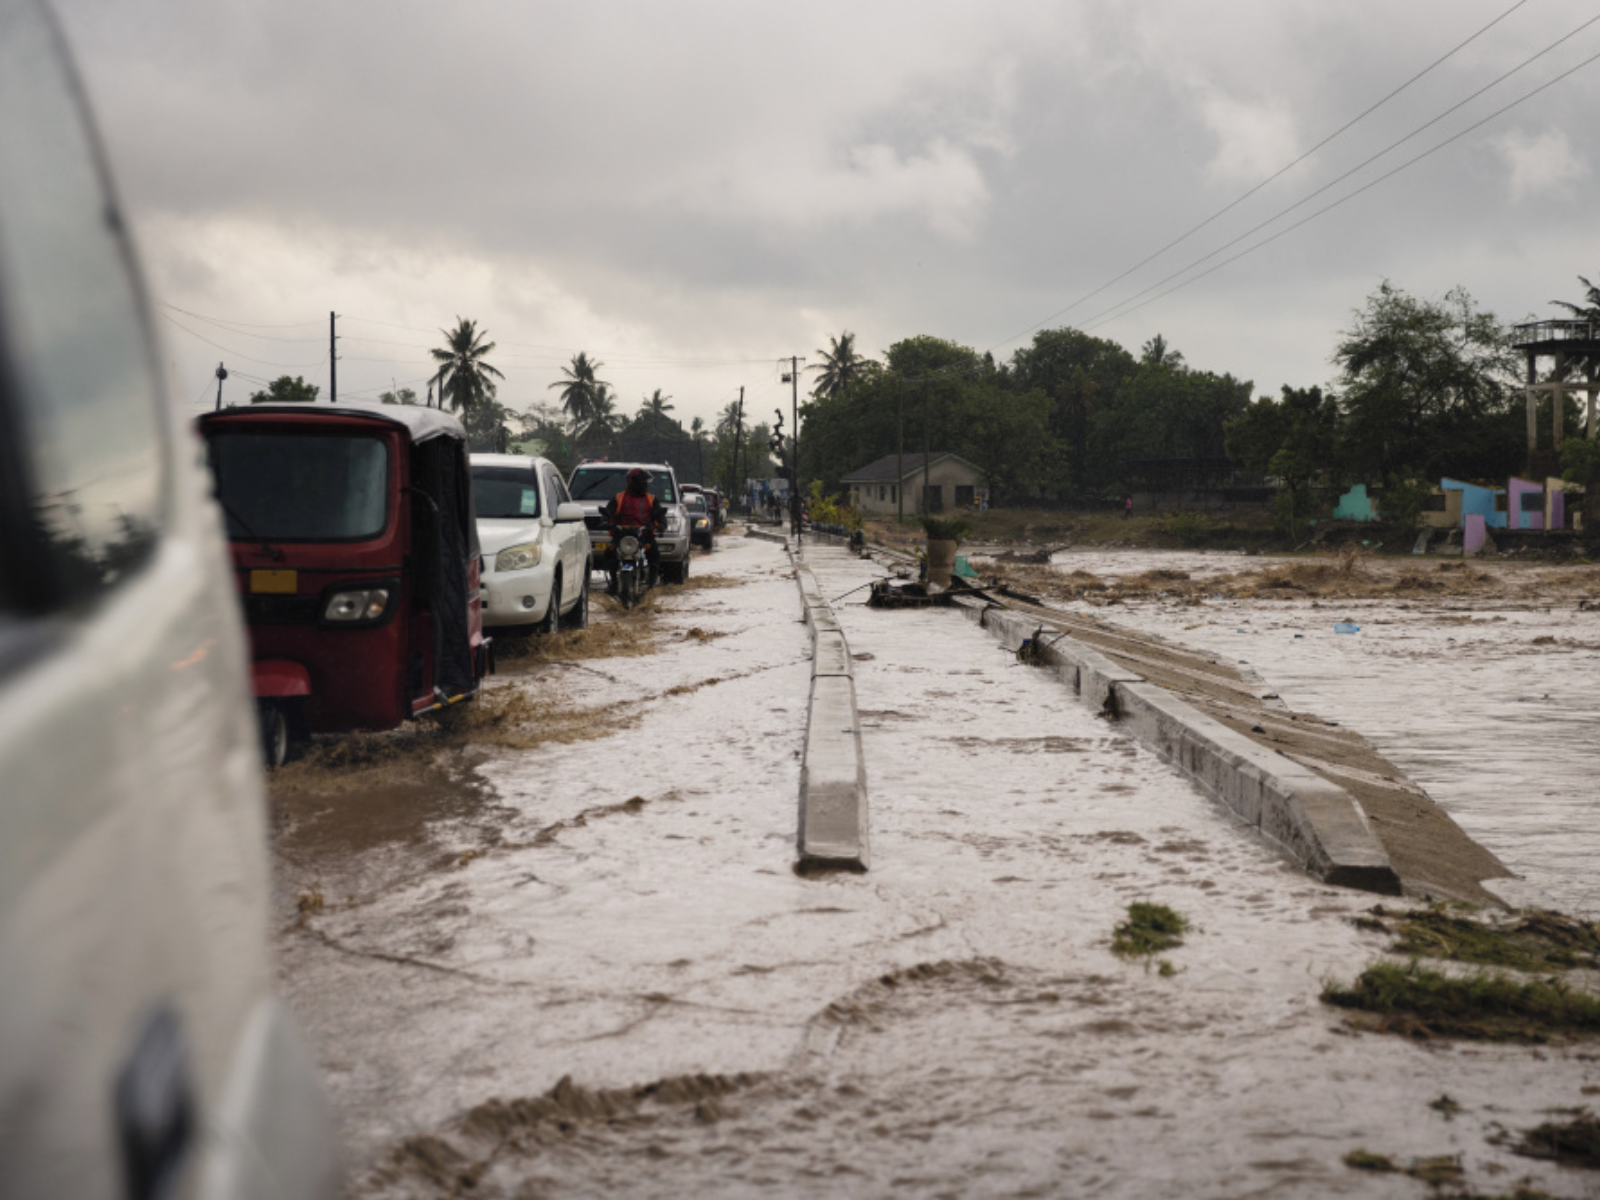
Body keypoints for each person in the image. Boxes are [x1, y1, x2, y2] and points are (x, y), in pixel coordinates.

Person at [602, 467, 666, 589]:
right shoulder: (619, 497)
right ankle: (613, 583)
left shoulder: (651, 499)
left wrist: (662, 525)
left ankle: (651, 586)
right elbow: (608, 511)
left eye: (646, 482)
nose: (645, 485)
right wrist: (605, 521)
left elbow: (659, 514)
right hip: (622, 534)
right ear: (634, 482)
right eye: (643, 482)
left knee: (654, 555)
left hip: (644, 534)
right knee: (609, 554)